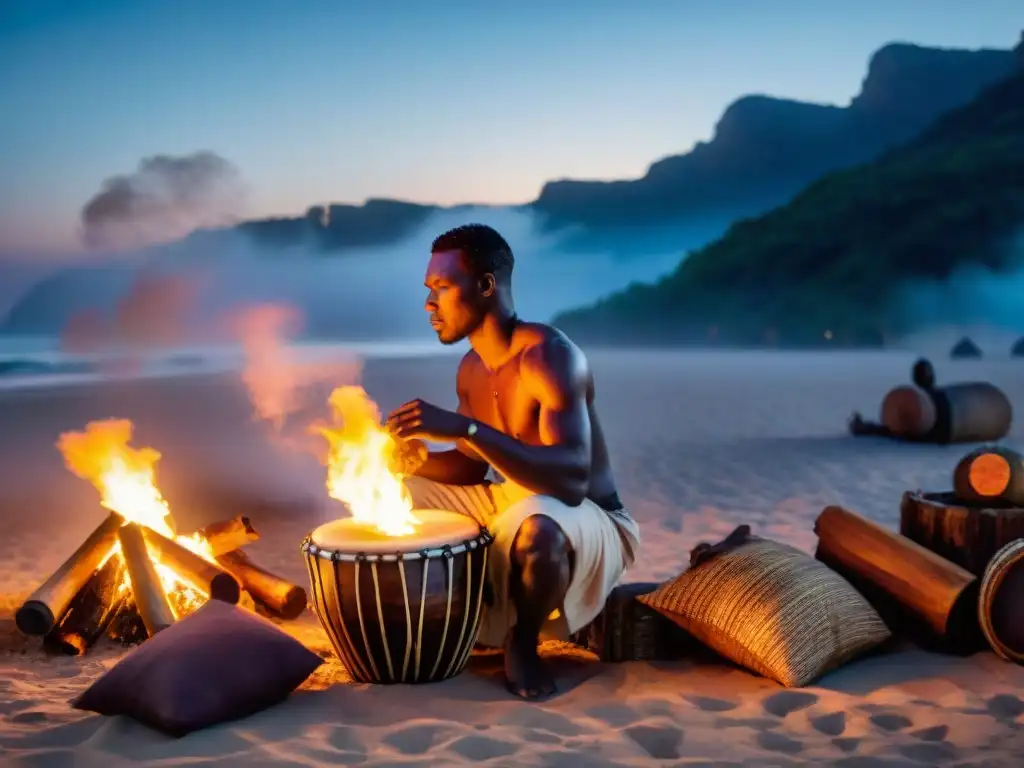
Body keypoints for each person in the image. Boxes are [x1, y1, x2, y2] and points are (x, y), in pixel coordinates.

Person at [385, 223, 641, 699]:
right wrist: (410, 460)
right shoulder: (470, 368)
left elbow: (569, 480)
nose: (429, 305)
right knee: (394, 495)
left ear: (485, 286)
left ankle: (521, 641)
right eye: (428, 290)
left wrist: (465, 428)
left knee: (538, 525)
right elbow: (468, 468)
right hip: (512, 499)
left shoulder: (550, 356)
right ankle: (439, 623)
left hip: (589, 513)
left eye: (442, 288)